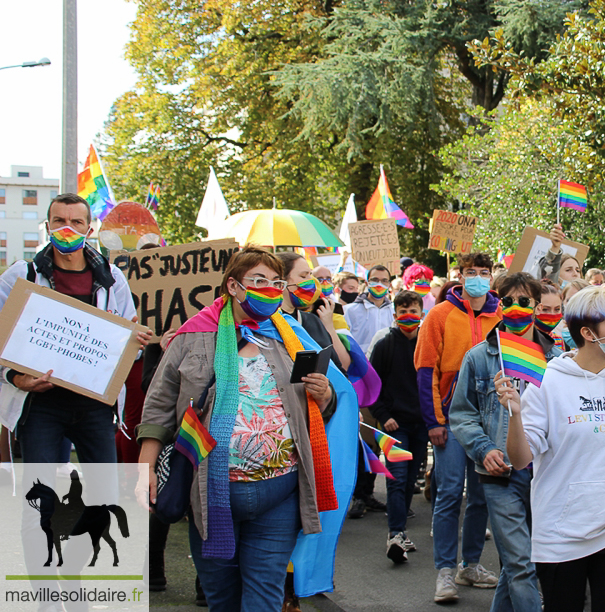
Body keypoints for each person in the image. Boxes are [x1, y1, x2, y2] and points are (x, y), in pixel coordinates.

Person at [138, 246, 338, 611]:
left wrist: (323, 395)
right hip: (210, 496)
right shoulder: (192, 336)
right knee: (222, 599)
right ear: (232, 286)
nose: (269, 290)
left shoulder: (289, 335)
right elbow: (160, 406)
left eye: (276, 283)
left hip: (280, 494)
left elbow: (320, 406)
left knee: (264, 598)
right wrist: (145, 468)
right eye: (258, 281)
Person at [501, 287, 605, 612]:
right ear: (587, 332)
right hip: (560, 536)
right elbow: (520, 459)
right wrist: (515, 414)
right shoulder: (547, 382)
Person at [0, 193, 152, 462]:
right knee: (38, 496)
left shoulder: (112, 278)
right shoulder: (21, 277)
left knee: (104, 496)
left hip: (95, 406)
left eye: (76, 222)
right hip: (39, 406)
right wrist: (17, 379)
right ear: (47, 227)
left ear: (89, 229)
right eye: (59, 221)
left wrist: (132, 343)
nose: (66, 228)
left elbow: (132, 347)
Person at [451, 272, 562, 612]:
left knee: (522, 565)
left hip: (544, 473)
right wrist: (484, 450)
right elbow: (461, 414)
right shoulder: (478, 357)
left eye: (523, 302)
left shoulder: (557, 359)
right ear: (499, 305)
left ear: (536, 306)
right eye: (508, 301)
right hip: (499, 475)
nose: (515, 309)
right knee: (520, 564)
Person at [415, 252, 501, 602]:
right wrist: (434, 421)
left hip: (492, 422)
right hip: (450, 421)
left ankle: (471, 565)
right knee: (449, 493)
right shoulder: (438, 315)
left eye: (484, 272)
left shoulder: (502, 315)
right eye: (470, 272)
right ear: (459, 276)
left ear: (492, 276)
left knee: (482, 496)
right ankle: (445, 572)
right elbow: (425, 372)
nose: (477, 277)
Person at [368, 290, 427, 563]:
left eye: (413, 312)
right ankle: (396, 532)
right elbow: (371, 386)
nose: (408, 317)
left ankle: (400, 529)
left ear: (421, 314)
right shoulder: (384, 346)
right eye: (402, 312)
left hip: (421, 425)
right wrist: (382, 414)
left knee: (410, 480)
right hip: (394, 426)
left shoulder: (427, 345)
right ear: (395, 316)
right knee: (397, 478)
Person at [344, 265, 396, 351]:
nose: (379, 284)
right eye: (375, 280)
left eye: (384, 281)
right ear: (366, 283)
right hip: (360, 361)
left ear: (389, 285)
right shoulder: (349, 310)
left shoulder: (394, 311)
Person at [535, 281, 566, 350]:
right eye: (545, 309)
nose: (552, 314)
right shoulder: (525, 339)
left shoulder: (558, 340)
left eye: (557, 309)